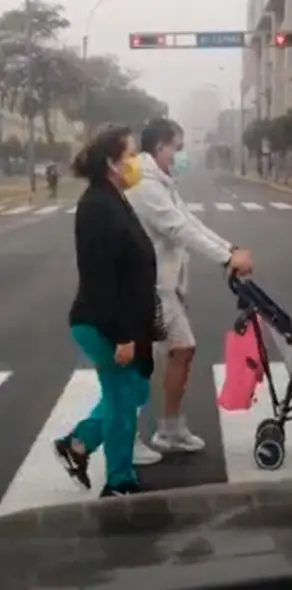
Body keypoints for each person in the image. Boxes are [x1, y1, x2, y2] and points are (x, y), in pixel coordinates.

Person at [127, 118, 253, 464]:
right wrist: (228, 257)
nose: (180, 155)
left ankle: (168, 429)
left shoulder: (162, 180)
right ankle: (126, 434)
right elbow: (178, 228)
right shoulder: (144, 184)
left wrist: (230, 249)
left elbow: (191, 222)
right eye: (177, 148)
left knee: (166, 356)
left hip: (164, 285)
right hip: (149, 286)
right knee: (153, 360)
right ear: (160, 147)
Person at [54, 125, 158, 497]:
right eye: (131, 155)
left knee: (133, 390)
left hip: (123, 321)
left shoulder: (113, 197)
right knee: (121, 398)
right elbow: (100, 279)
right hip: (104, 323)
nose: (136, 162)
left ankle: (78, 444)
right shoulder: (98, 205)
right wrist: (123, 336)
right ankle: (119, 482)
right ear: (113, 162)